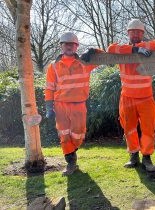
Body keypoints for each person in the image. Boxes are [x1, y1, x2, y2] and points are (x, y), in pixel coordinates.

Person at [45, 32, 105, 176]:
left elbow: (103, 56)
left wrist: (92, 51)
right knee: (64, 135)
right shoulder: (53, 66)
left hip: (79, 105)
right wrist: (48, 108)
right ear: (61, 46)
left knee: (78, 134)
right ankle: (71, 162)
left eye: (72, 44)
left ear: (77, 46)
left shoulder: (85, 62)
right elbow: (49, 88)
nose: (69, 46)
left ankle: (73, 151)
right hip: (60, 107)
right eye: (66, 44)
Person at [107, 19, 155, 172]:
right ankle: (133, 156)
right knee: (129, 128)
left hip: (146, 97)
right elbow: (111, 47)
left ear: (142, 34)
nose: (135, 34)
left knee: (148, 129)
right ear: (128, 33)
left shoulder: (148, 47)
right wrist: (135, 50)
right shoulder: (122, 49)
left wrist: (140, 48)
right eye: (132, 32)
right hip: (127, 97)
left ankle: (147, 158)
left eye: (138, 32)